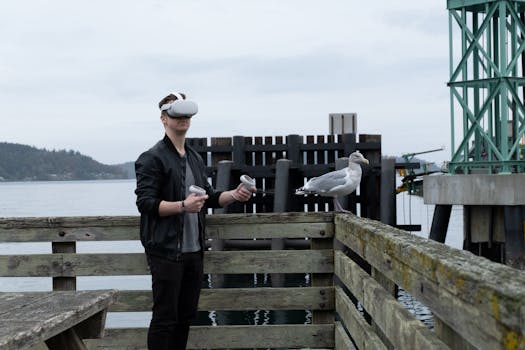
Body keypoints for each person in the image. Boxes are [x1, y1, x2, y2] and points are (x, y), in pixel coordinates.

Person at [134, 92, 255, 350]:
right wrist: (182, 206)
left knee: (186, 317)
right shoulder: (151, 158)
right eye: (177, 114)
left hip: (194, 252)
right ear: (163, 118)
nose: (183, 119)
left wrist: (234, 194)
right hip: (165, 251)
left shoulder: (195, 158)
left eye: (187, 114)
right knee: (165, 318)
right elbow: (145, 203)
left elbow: (209, 197)